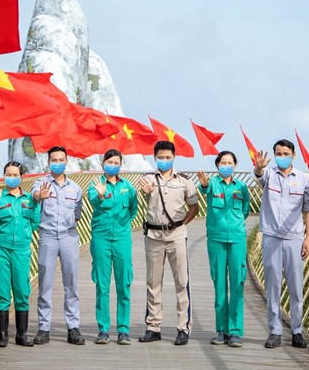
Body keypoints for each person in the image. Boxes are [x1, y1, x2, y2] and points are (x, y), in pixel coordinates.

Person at [137, 140, 200, 345]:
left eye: (168, 157)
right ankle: (153, 327)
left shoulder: (184, 181)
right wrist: (147, 190)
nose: (164, 160)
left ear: (174, 157)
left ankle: (183, 328)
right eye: (160, 157)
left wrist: (181, 224)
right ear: (154, 158)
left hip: (177, 236)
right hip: (154, 236)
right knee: (153, 282)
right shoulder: (148, 179)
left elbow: (194, 207)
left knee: (181, 281)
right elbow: (144, 190)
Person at [253, 139, 309, 349]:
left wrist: (308, 238)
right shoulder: (269, 175)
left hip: (294, 238)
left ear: (293, 155)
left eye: (285, 153)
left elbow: (308, 209)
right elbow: (259, 175)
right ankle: (275, 331)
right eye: (278, 153)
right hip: (271, 237)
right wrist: (259, 167)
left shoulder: (304, 179)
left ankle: (297, 331)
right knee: (273, 285)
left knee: (296, 286)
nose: (282, 156)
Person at [0, 161, 40, 348]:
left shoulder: (29, 199)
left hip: (21, 250)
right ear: (4, 176)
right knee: (2, 290)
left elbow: (35, 222)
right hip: (1, 249)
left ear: (21, 177)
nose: (11, 178)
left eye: (15, 175)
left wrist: (23, 236)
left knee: (22, 290)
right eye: (8, 174)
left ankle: (22, 335)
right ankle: (3, 336)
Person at [31, 146, 85, 345]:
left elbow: (78, 214)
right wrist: (40, 196)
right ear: (48, 162)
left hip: (69, 236)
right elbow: (34, 195)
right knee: (45, 283)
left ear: (66, 161)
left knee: (71, 283)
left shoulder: (75, 188)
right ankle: (44, 328)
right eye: (54, 160)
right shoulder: (41, 183)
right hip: (47, 237)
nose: (58, 163)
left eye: (61, 160)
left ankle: (73, 328)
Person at [198, 151, 250, 347]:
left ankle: (235, 331)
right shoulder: (212, 183)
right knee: (219, 284)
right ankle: (221, 330)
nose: (226, 166)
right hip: (216, 239)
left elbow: (245, 210)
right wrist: (204, 183)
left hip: (237, 239)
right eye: (223, 162)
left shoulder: (241, 187)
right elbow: (204, 189)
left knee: (238, 283)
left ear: (235, 166)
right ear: (217, 165)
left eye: (230, 163)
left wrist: (235, 224)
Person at [87, 149, 139, 345]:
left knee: (124, 284)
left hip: (122, 240)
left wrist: (123, 226)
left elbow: (133, 209)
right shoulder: (96, 185)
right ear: (103, 164)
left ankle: (123, 330)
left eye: (116, 163)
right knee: (102, 284)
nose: (113, 165)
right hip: (101, 239)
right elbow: (93, 201)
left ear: (120, 165)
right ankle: (103, 330)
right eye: (109, 162)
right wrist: (101, 196)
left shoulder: (128, 187)